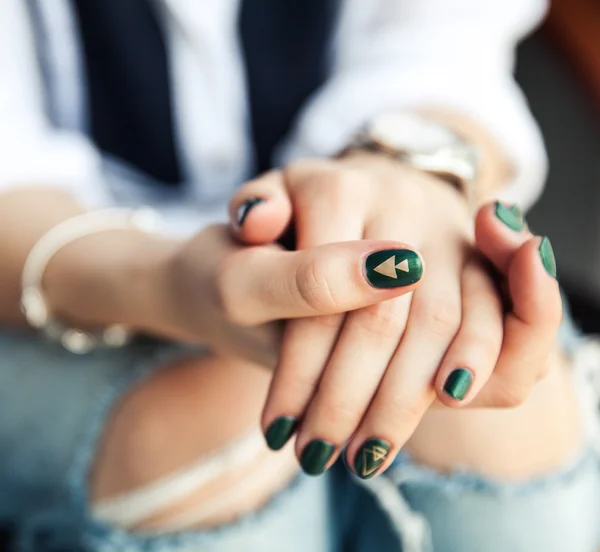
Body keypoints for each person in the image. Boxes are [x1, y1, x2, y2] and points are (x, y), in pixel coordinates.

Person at [1, 0, 598, 551]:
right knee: (204, 422)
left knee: (489, 397)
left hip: (348, 201)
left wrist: (407, 177)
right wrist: (170, 281)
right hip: (71, 265)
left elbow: (442, 45)